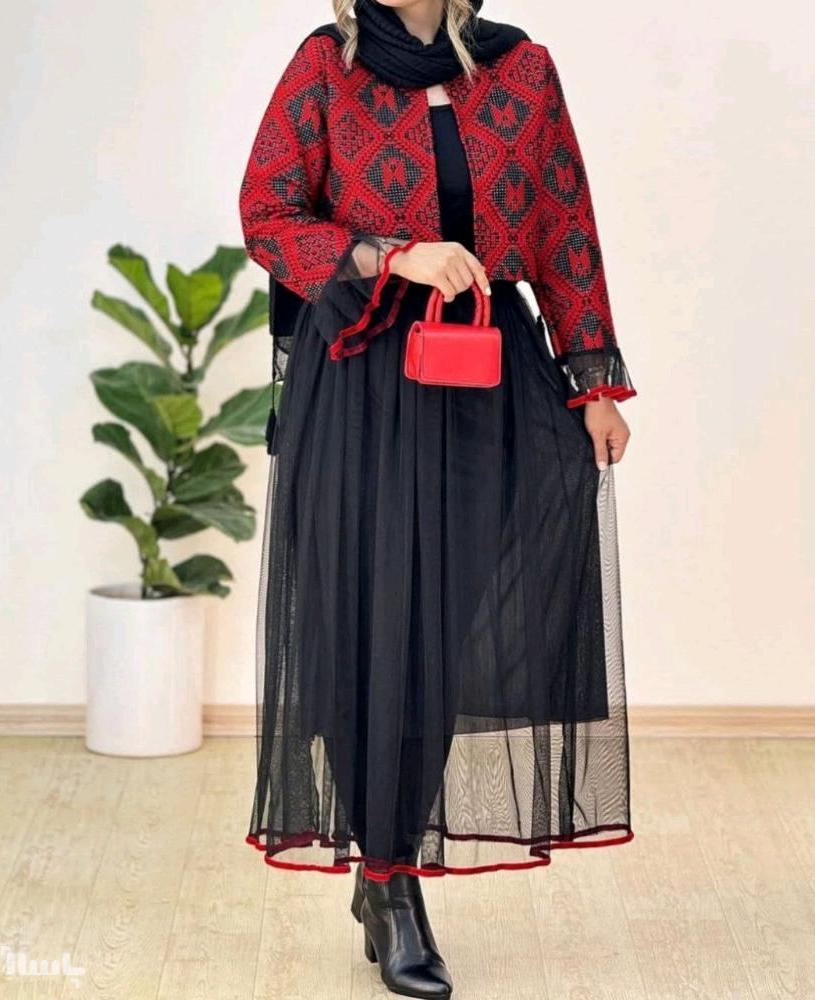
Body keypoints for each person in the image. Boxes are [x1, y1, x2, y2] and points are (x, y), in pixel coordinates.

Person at [240, 1, 636, 996]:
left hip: (482, 377)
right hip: (360, 372)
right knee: (364, 630)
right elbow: (267, 216)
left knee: (436, 636)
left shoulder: (520, 69)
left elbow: (565, 225)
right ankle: (390, 882)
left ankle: (386, 865)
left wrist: (591, 378)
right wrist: (389, 253)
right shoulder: (324, 68)